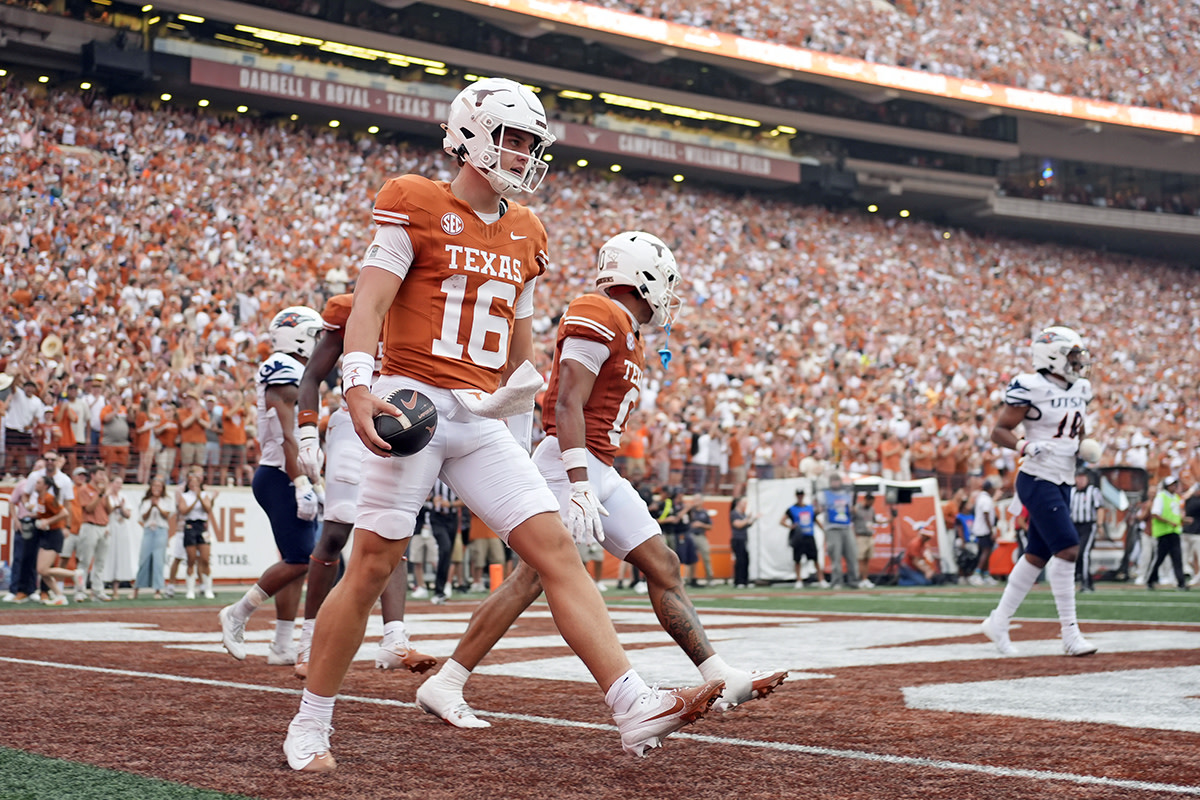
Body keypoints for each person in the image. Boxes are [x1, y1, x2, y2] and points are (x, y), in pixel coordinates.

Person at [284, 84, 723, 773]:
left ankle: (632, 703)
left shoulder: (527, 231)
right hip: (413, 400)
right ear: (470, 133)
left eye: (529, 143)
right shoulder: (415, 199)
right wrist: (360, 387)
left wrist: (521, 398)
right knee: (371, 563)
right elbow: (369, 304)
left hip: (480, 413)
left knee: (556, 552)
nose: (521, 153)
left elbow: (518, 348)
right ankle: (311, 724)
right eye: (511, 137)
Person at [415, 230, 784, 731]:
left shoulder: (624, 327)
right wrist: (579, 480)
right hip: (571, 464)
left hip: (599, 465)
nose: (668, 296)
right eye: (666, 283)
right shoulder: (599, 312)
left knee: (663, 563)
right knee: (531, 578)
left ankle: (720, 673)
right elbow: (566, 401)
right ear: (642, 277)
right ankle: (447, 681)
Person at [292, 293, 435, 679]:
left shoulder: (429, 303)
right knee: (337, 530)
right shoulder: (351, 307)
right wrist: (307, 431)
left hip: (399, 429)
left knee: (394, 527)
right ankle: (308, 641)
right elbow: (311, 376)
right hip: (352, 427)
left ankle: (394, 639)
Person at [980, 326, 1099, 657]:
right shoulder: (1030, 386)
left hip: (1063, 478)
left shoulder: (1081, 388)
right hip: (1037, 477)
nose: (1078, 362)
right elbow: (999, 430)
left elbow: (1077, 429)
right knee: (1068, 548)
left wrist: (1085, 445)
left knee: (1037, 554)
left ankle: (998, 621)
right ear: (1053, 356)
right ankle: (1070, 633)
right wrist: (1024, 444)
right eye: (1072, 356)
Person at [219, 306, 323, 666]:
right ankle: (238, 612)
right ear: (298, 335)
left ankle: (281, 644)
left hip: (286, 472)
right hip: (280, 473)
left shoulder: (296, 370)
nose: (320, 343)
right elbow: (285, 434)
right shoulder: (283, 366)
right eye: (315, 335)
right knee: (300, 559)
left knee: (298, 557)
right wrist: (300, 482)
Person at [176, 468, 218, 600]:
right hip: (190, 526)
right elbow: (183, 511)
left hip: (202, 526)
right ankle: (190, 590)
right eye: (191, 483)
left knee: (205, 559)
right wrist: (194, 500)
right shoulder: (184, 496)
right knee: (191, 559)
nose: (194, 485)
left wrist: (199, 496)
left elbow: (208, 509)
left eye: (196, 483)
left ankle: (208, 588)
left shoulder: (204, 495)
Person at [74, 465, 112, 602]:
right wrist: (100, 494)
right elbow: (89, 508)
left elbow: (109, 510)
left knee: (100, 562)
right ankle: (80, 591)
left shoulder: (102, 491)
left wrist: (105, 494)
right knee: (84, 561)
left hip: (103, 525)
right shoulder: (85, 490)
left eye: (104, 474)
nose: (103, 477)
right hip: (90, 525)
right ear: (93, 475)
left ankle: (98, 590)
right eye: (100, 474)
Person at [1147, 475, 1188, 591]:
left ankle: (1181, 583)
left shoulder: (1176, 498)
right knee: (1159, 558)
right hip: (1163, 533)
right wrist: (1170, 522)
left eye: (1175, 484)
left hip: (1174, 532)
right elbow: (1155, 514)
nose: (1174, 487)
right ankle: (1150, 579)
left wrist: (1183, 520)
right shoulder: (1161, 497)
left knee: (1177, 558)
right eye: (1171, 485)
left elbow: (1175, 515)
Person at [1069, 469, 1104, 592]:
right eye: (1078, 477)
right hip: (1074, 525)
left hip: (1088, 526)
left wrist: (1100, 525)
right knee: (1075, 553)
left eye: (1083, 477)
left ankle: (1084, 583)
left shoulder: (1093, 491)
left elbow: (1100, 508)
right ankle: (1088, 581)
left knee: (1084, 553)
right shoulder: (1071, 491)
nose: (1080, 480)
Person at [821, 473, 859, 589]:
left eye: (837, 480)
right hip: (833, 528)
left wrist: (853, 510)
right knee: (835, 556)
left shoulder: (847, 494)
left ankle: (854, 581)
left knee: (852, 555)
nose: (835, 483)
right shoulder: (825, 494)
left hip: (846, 527)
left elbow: (852, 511)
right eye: (833, 481)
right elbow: (820, 508)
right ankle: (837, 581)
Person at [135, 477, 171, 599]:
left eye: (159, 486)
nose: (156, 488)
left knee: (158, 561)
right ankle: (137, 588)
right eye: (154, 486)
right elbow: (143, 518)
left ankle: (157, 590)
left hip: (161, 530)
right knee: (143, 559)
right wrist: (151, 506)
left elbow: (167, 515)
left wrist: (157, 506)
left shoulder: (166, 500)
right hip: (148, 530)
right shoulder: (145, 501)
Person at [782, 489, 823, 588]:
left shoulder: (809, 508)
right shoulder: (792, 509)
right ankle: (799, 580)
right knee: (797, 560)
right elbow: (782, 521)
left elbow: (815, 519)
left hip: (809, 535)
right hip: (799, 537)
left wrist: (824, 530)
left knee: (815, 559)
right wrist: (791, 527)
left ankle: (821, 579)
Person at [970, 479, 1000, 586]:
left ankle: (986, 575)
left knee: (986, 552)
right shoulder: (985, 499)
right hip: (984, 530)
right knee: (986, 551)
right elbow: (986, 514)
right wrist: (991, 530)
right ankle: (977, 573)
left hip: (981, 529)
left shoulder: (982, 498)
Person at [728, 495, 757, 588]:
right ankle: (739, 581)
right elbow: (738, 525)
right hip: (737, 539)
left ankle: (745, 580)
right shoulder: (734, 513)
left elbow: (746, 524)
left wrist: (753, 519)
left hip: (744, 539)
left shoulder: (743, 514)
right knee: (740, 560)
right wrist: (747, 519)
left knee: (745, 560)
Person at [852, 492, 877, 589]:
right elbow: (851, 518)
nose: (871, 504)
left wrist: (890, 519)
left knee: (867, 559)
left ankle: (865, 579)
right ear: (866, 500)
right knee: (860, 559)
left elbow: (875, 521)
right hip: (860, 535)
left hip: (869, 535)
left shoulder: (872, 509)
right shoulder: (857, 508)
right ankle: (858, 579)